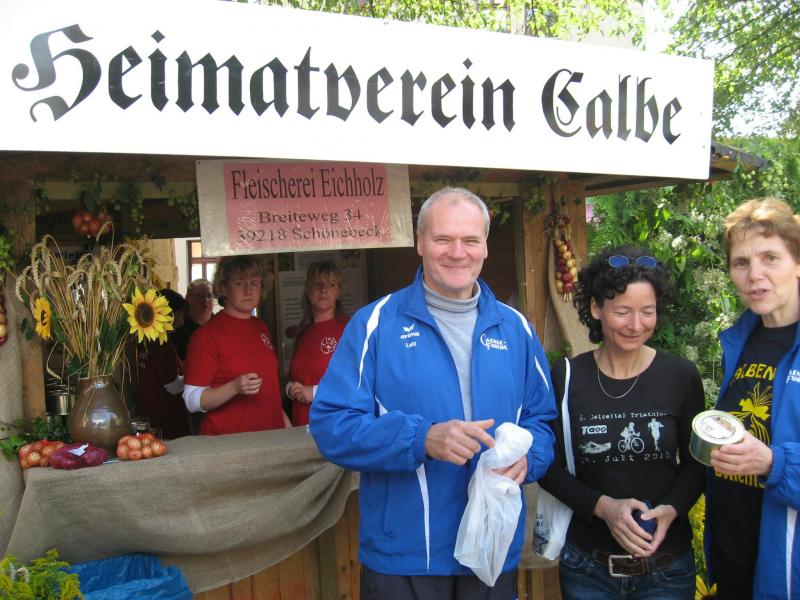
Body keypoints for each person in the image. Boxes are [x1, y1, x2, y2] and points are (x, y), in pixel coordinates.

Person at [310, 187, 557, 599]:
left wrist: (529, 459)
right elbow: (331, 425)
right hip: (405, 558)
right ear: (420, 243)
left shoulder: (517, 329)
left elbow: (542, 422)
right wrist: (420, 438)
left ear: (485, 247)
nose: (457, 253)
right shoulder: (374, 325)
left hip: (490, 550)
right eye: (443, 239)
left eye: (470, 240)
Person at [538, 246, 705, 600]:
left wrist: (672, 509)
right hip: (588, 568)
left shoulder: (680, 376)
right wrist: (602, 507)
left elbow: (697, 463)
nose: (636, 325)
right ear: (596, 308)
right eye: (623, 311)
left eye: (647, 311)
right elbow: (546, 466)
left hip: (667, 569)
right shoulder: (566, 377)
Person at [705, 198, 800, 600]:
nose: (754, 275)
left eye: (770, 258)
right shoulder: (740, 341)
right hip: (735, 568)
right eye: (741, 262)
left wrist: (774, 463)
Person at [183, 256, 290, 435]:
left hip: (272, 438)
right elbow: (191, 400)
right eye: (239, 283)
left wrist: (286, 425)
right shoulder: (206, 335)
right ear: (223, 288)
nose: (248, 290)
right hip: (231, 443)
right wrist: (233, 388)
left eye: (254, 283)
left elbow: (269, 390)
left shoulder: (260, 327)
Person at [285, 260, 349, 426]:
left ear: (339, 291)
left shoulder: (349, 330)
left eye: (331, 284)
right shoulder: (303, 332)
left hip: (334, 425)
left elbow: (358, 383)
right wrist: (290, 388)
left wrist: (315, 392)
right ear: (307, 290)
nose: (323, 290)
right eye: (317, 284)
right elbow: (295, 376)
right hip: (301, 425)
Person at [137, 288, 193, 439]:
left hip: (154, 414)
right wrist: (195, 375)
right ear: (168, 314)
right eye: (180, 314)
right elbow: (173, 386)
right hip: (168, 418)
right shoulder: (160, 344)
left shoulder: (145, 340)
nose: (182, 321)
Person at [173, 278, 214, 360]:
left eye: (209, 296)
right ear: (187, 299)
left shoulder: (221, 326)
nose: (205, 300)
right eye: (200, 295)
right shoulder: (178, 330)